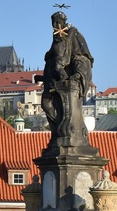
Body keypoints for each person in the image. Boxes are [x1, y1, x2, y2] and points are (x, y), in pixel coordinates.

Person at [40, 10, 95, 151]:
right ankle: (58, 130)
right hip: (53, 81)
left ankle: (65, 131)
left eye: (57, 22)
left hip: (67, 83)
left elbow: (81, 58)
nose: (55, 25)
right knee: (46, 104)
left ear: (63, 22)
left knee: (66, 110)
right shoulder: (57, 37)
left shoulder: (73, 34)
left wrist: (76, 74)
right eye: (53, 23)